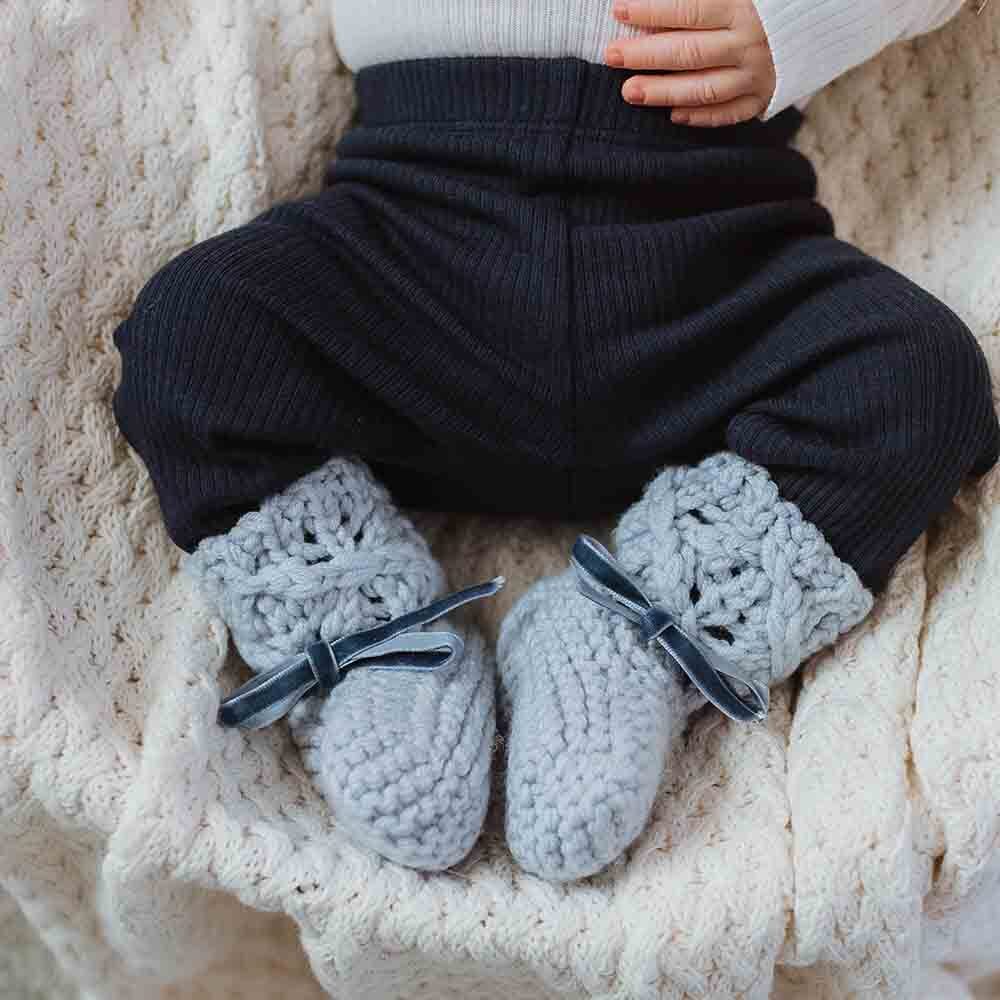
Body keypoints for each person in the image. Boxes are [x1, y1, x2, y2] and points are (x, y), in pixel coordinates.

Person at [111, 0, 999, 880]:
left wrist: (798, 24)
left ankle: (636, 630)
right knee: (196, 330)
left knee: (922, 376)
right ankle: (370, 635)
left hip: (713, 267)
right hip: (413, 247)